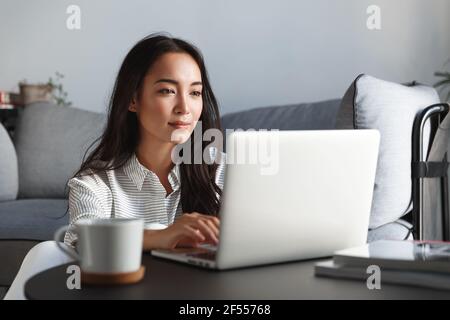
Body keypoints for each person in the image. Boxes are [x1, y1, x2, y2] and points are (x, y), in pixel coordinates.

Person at [5, 33, 225, 299]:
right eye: (167, 90)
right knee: (46, 252)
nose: (184, 107)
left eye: (195, 92)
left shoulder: (223, 171)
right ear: (133, 99)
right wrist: (162, 236)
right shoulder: (94, 182)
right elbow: (80, 242)